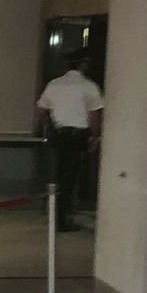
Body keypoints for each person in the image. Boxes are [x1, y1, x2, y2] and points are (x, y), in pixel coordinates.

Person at [36, 46, 104, 232]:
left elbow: (41, 110)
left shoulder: (54, 84)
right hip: (78, 136)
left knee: (60, 174)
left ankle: (58, 213)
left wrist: (47, 128)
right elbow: (95, 115)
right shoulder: (88, 86)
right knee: (71, 177)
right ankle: (62, 218)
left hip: (59, 134)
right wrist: (96, 137)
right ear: (83, 65)